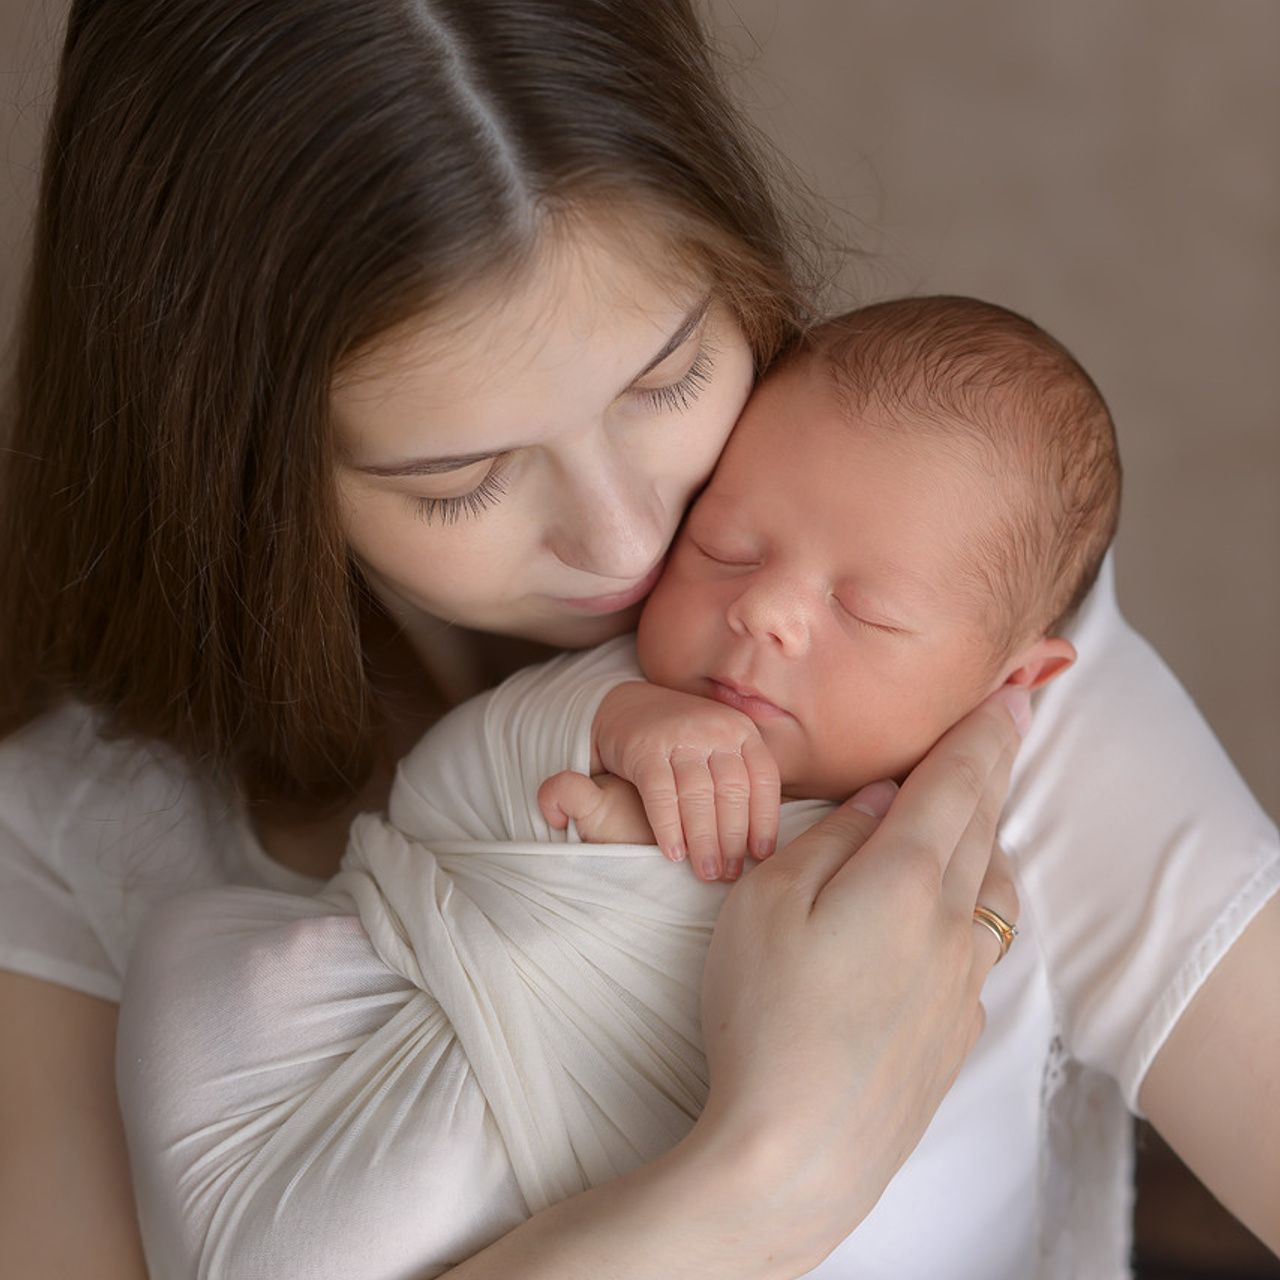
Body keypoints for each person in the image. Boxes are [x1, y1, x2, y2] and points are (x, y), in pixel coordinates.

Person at [0, 0, 1273, 1276]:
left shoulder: (943, 668)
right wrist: (765, 1179)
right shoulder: (72, 836)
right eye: (460, 478)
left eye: (665, 380)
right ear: (236, 475)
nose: (624, 540)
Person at [118, 294, 1130, 1280]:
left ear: (1010, 679)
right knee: (198, 964)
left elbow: (924, 1127)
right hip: (354, 1075)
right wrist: (616, 731)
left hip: (552, 1177)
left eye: (864, 611)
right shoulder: (622, 694)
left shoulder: (950, 856)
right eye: (723, 547)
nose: (763, 607)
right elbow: (438, 798)